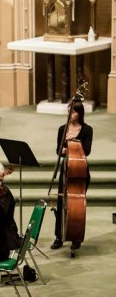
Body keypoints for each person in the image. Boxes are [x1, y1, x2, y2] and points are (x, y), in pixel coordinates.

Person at [51, 100, 92, 251]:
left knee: (77, 207)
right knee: (61, 203)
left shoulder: (87, 130)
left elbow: (87, 150)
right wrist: (62, 150)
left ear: (80, 113)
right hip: (66, 169)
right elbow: (58, 150)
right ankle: (58, 236)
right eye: (69, 110)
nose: (70, 114)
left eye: (73, 111)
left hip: (80, 170)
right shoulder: (62, 129)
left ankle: (76, 237)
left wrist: (73, 144)